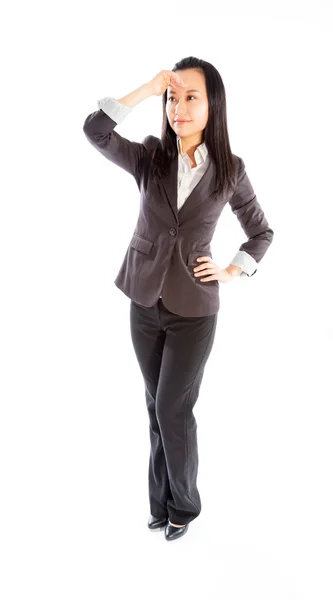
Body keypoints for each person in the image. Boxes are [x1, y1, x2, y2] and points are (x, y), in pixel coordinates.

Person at [83, 56, 274, 542]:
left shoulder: (231, 169)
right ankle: (159, 503)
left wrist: (233, 270)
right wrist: (147, 89)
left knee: (173, 409)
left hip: (194, 310)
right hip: (143, 301)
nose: (179, 107)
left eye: (192, 97)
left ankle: (185, 507)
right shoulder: (150, 156)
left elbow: (261, 232)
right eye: (174, 96)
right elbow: (96, 131)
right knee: (155, 406)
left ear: (214, 105)